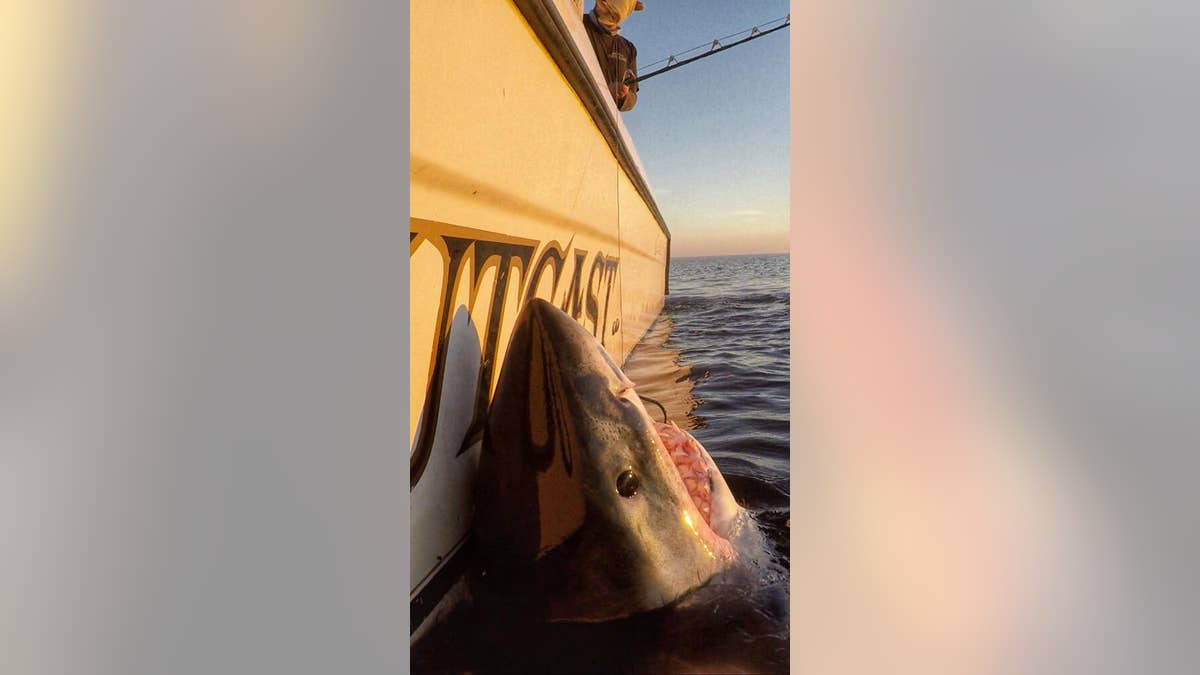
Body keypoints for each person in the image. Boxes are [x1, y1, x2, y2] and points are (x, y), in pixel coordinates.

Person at [583, 1, 644, 111]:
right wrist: (604, 89)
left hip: (600, 119)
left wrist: (624, 95)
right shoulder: (577, 22)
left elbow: (632, 96)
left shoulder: (629, 48)